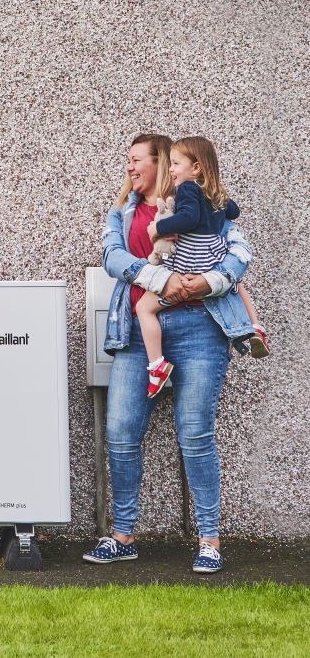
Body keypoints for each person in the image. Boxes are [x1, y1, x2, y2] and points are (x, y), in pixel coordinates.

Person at [86, 134, 255, 574]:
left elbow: (238, 253)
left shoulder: (199, 202)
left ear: (162, 163)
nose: (128, 167)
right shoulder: (122, 213)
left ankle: (209, 540)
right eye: (127, 160)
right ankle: (123, 536)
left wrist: (208, 283)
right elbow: (111, 256)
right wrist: (158, 281)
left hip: (201, 327)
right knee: (121, 430)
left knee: (195, 433)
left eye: (136, 160)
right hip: (141, 332)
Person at [135, 136, 242, 398]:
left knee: (143, 307)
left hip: (189, 261)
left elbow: (188, 217)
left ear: (196, 167)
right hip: (211, 259)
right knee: (238, 285)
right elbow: (234, 211)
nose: (170, 169)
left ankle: (157, 365)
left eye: (175, 164)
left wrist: (157, 227)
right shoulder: (213, 192)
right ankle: (251, 327)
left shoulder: (187, 189)